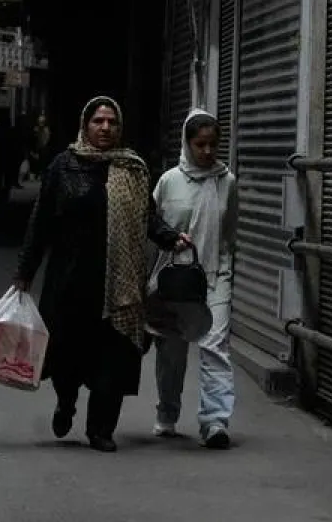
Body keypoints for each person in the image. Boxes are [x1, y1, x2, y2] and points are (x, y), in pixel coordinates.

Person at [13, 96, 189, 453]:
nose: (105, 128)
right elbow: (41, 221)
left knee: (113, 355)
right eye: (98, 121)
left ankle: (101, 429)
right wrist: (25, 270)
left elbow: (147, 217)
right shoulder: (63, 166)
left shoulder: (133, 169)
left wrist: (171, 237)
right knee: (65, 355)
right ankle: (66, 402)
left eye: (111, 122)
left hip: (119, 282)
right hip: (70, 280)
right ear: (85, 124)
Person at [152, 109, 239, 449]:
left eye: (212, 145)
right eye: (200, 144)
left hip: (214, 279)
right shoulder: (169, 181)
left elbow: (230, 235)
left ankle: (215, 421)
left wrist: (225, 274)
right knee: (171, 351)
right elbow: (153, 230)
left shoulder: (227, 182)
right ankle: (168, 413)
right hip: (173, 281)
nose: (207, 151)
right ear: (187, 144)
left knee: (215, 348)